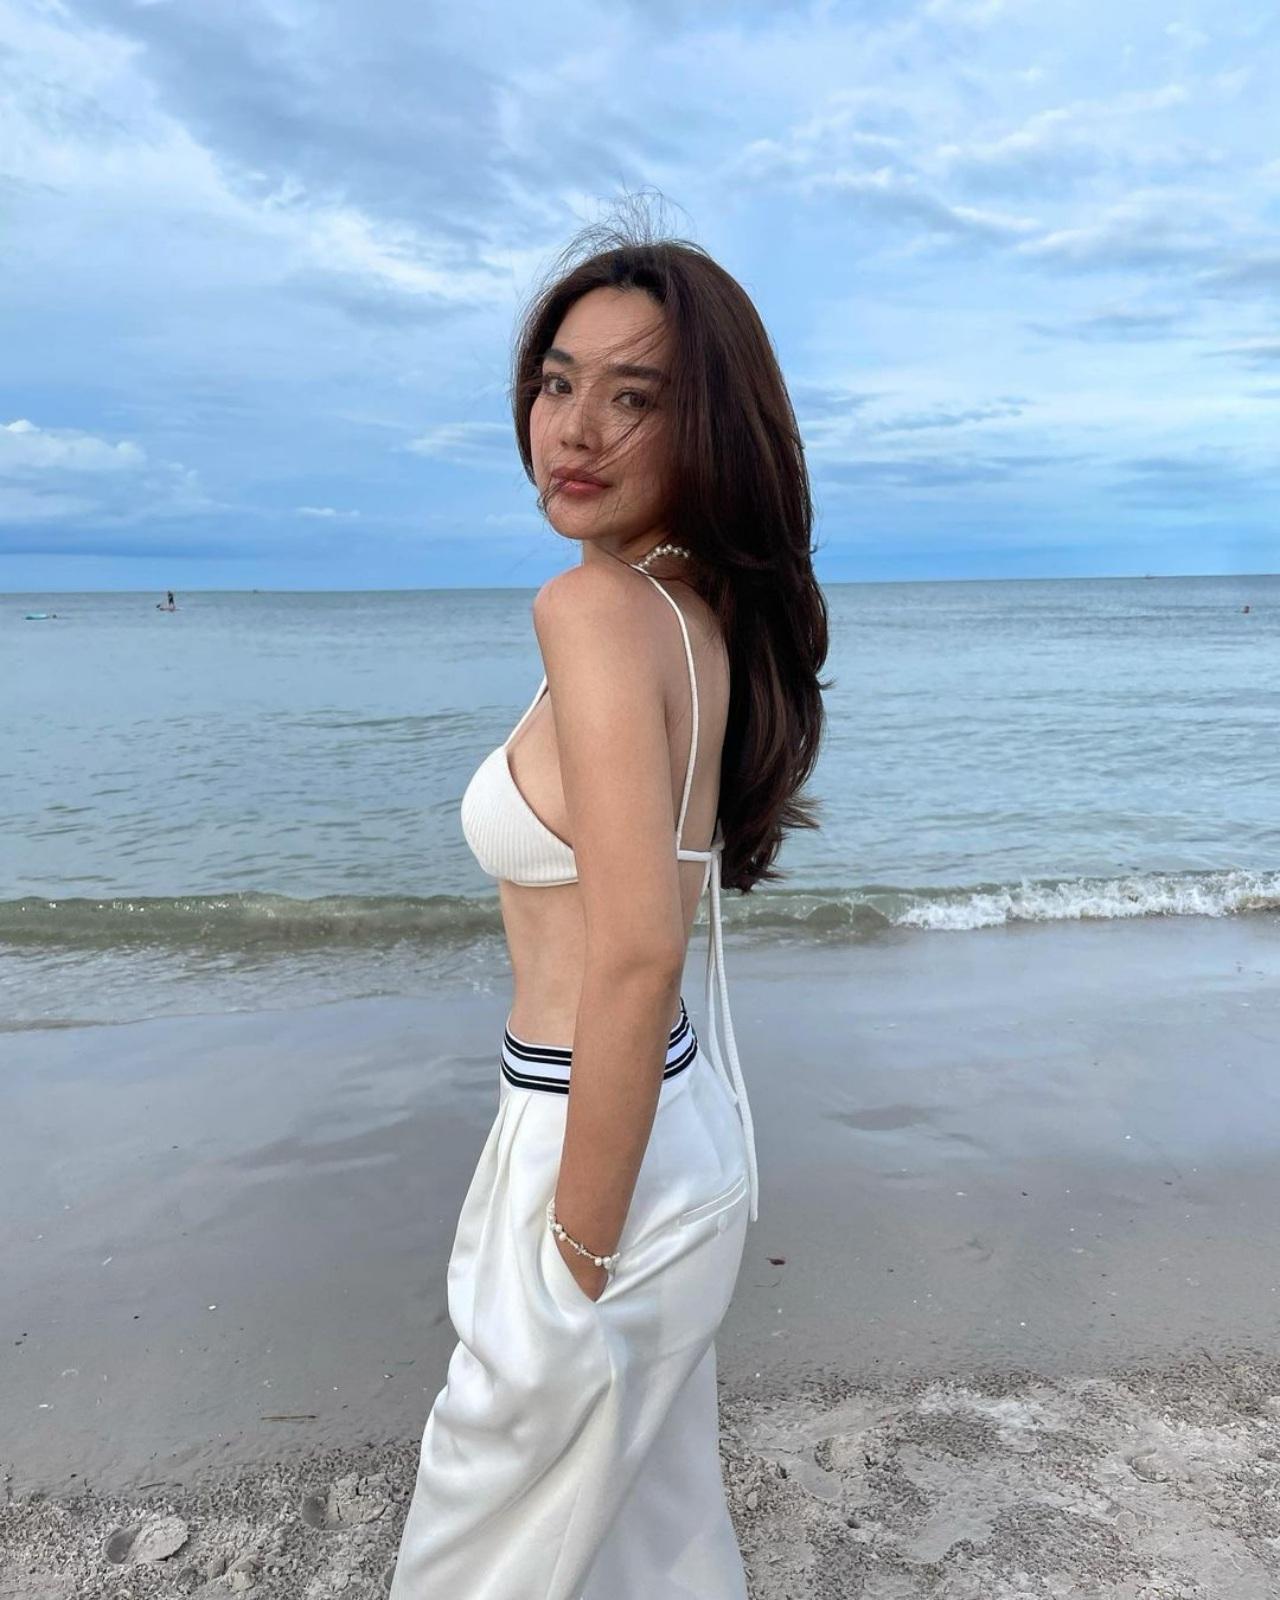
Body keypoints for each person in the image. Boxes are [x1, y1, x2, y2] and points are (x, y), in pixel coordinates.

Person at [389, 213, 829, 1599]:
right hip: (671, 1118)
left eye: (634, 397)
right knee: (650, 1538)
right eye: (557, 382)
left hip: (591, 1132)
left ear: (709, 428)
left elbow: (636, 952)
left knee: (474, 1549)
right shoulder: (689, 611)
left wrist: (571, 1257)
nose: (573, 429)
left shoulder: (592, 611)